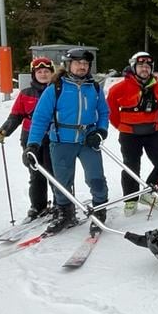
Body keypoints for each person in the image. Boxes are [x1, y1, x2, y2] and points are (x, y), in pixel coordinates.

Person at [25, 48, 110, 233]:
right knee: (62, 181)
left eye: (86, 64)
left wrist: (101, 131)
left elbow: (104, 113)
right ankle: (65, 213)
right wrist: (32, 144)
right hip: (61, 141)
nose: (82, 66)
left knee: (95, 178)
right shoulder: (56, 88)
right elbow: (40, 118)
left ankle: (100, 209)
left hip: (88, 140)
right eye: (78, 63)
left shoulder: (95, 88)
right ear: (68, 65)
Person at [0, 56, 56, 221]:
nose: (43, 74)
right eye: (39, 71)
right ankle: (38, 205)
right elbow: (15, 116)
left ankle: (60, 204)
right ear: (34, 74)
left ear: (52, 73)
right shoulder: (26, 94)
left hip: (52, 137)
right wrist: (4, 131)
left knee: (54, 173)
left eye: (46, 71)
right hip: (30, 138)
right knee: (35, 174)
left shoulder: (58, 90)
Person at [106, 51, 158, 213]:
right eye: (141, 66)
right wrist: (123, 126)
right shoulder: (119, 88)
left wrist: (152, 121)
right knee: (131, 166)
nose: (144, 69)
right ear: (133, 67)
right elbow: (111, 112)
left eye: (148, 66)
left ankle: (148, 192)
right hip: (129, 134)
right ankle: (130, 198)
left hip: (153, 132)